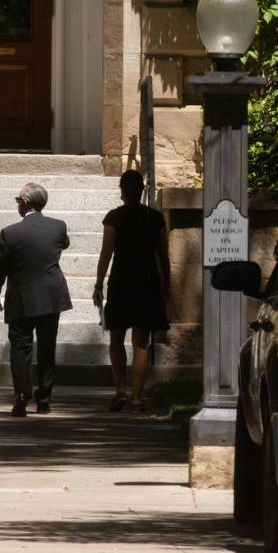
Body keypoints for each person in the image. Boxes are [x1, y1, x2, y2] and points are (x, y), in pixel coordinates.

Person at [0, 183, 72, 417]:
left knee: (21, 348)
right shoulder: (58, 227)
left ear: (25, 202)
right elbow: (64, 243)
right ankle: (44, 399)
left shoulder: (10, 233)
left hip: (22, 296)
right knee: (47, 346)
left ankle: (22, 397)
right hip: (50, 296)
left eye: (18, 201)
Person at [93, 170, 169, 412]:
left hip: (121, 281)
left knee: (116, 337)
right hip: (147, 281)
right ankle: (137, 397)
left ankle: (119, 391)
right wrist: (166, 282)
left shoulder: (114, 218)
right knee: (141, 342)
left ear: (122, 191)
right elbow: (163, 255)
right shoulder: (156, 218)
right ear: (143, 190)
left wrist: (98, 283)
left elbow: (107, 253)